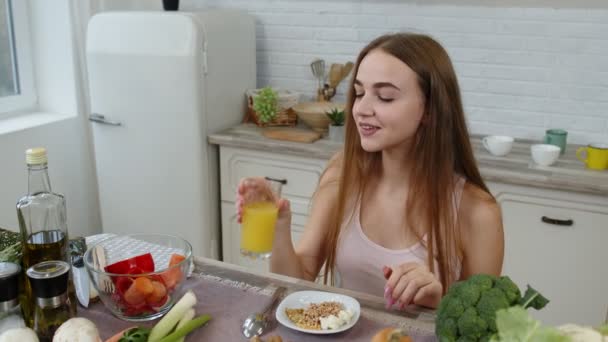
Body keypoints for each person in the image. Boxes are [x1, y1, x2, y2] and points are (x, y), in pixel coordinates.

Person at [236, 33, 504, 310]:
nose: (361, 109)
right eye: (360, 93)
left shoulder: (477, 212)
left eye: (385, 97)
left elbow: (484, 329)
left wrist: (438, 305)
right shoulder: (342, 174)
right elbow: (297, 280)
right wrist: (279, 226)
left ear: (430, 110)